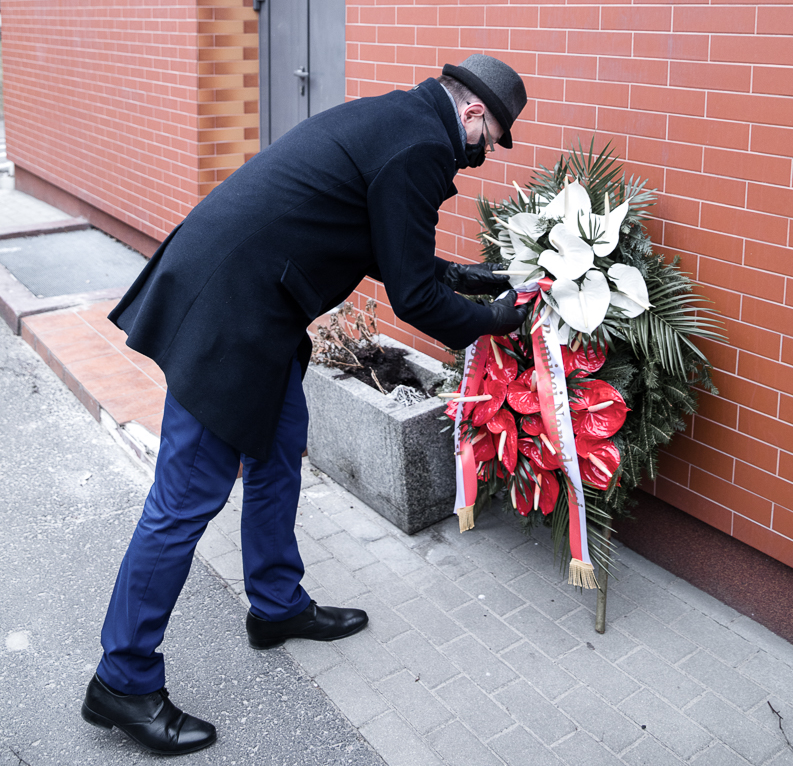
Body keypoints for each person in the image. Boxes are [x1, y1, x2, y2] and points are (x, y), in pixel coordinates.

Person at [81, 53, 529, 755]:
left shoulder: (401, 120)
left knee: (279, 453)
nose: (486, 154)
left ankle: (276, 605)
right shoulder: (419, 144)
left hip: (262, 308)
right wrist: (500, 320)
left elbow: (379, 239)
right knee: (184, 501)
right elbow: (411, 298)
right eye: (492, 139)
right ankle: (123, 680)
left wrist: (465, 276)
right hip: (228, 317)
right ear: (473, 113)